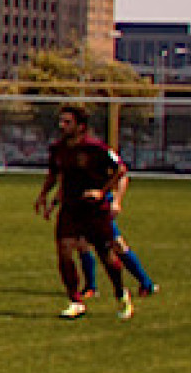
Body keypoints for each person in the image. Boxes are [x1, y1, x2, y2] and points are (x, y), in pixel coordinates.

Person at [34, 104, 133, 321]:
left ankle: (121, 293)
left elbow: (121, 170)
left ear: (81, 126)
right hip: (70, 207)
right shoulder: (58, 148)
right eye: (61, 121)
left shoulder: (96, 148)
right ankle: (75, 300)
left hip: (95, 210)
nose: (62, 126)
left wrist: (102, 192)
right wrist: (43, 195)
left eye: (67, 122)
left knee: (106, 256)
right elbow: (54, 174)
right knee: (65, 250)